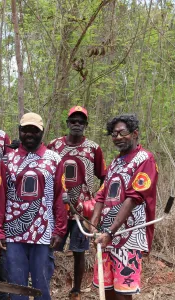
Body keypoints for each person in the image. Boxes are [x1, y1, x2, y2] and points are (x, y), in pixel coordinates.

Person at [0, 112, 68, 300]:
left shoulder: (54, 159)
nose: (30, 134)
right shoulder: (8, 160)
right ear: (19, 131)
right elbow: (0, 196)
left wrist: (60, 230)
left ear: (42, 132)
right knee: (17, 287)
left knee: (41, 284)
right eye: (26, 130)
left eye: (34, 130)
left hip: (43, 232)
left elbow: (60, 196)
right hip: (13, 232)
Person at [90, 114, 158, 300]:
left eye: (122, 133)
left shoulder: (145, 159)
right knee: (107, 287)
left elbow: (134, 197)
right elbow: (102, 194)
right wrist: (94, 223)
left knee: (123, 291)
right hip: (105, 235)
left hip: (128, 236)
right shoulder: (115, 162)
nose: (117, 137)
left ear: (135, 133)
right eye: (114, 134)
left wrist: (111, 231)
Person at [47, 105, 106, 300]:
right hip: (58, 209)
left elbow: (104, 176)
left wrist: (96, 199)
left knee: (79, 251)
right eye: (73, 121)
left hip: (82, 210)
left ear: (86, 125)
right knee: (50, 248)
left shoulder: (93, 148)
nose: (77, 125)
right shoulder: (54, 146)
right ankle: (44, 286)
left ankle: (76, 291)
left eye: (81, 122)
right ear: (67, 123)